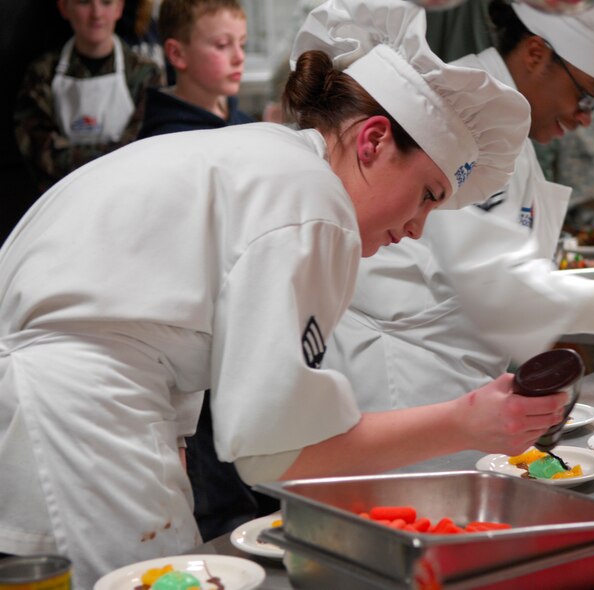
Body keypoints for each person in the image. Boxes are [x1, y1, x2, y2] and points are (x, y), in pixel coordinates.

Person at [0, 0, 541, 585]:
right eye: (428, 194)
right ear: (374, 141)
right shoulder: (314, 204)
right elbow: (277, 452)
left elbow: (154, 312)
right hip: (80, 410)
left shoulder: (272, 160)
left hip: (65, 396)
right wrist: (470, 422)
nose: (418, 227)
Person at [325, 0, 594, 413]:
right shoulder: (458, 117)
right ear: (537, 54)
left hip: (445, 383)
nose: (583, 120)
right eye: (587, 98)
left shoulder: (505, 128)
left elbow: (502, 279)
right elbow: (494, 284)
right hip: (399, 381)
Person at [13, 0, 162, 194]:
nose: (96, 14)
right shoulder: (42, 73)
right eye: (84, 2)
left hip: (128, 195)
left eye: (106, 2)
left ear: (119, 8)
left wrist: (72, 153)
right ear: (64, 8)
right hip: (62, 199)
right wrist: (112, 157)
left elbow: (146, 147)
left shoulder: (146, 73)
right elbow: (38, 149)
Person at [138, 0, 253, 139]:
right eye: (222, 45)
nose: (240, 57)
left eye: (242, 44)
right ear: (177, 54)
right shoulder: (163, 141)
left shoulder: (247, 124)